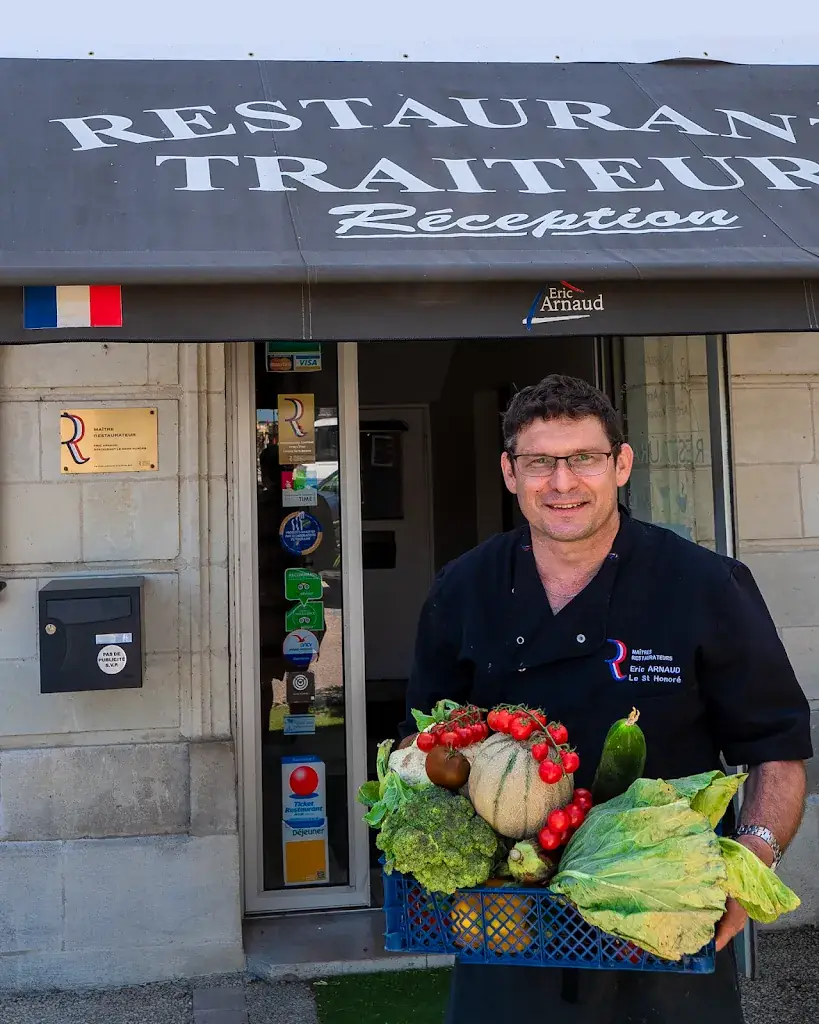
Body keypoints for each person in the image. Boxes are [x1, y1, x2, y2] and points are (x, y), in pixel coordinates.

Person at [399, 374, 812, 1024]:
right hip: (510, 918)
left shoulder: (704, 584)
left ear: (620, 464)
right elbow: (419, 741)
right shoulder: (463, 589)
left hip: (664, 914)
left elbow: (777, 749)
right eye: (539, 462)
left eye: (583, 459)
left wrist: (751, 859)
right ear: (510, 472)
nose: (561, 483)